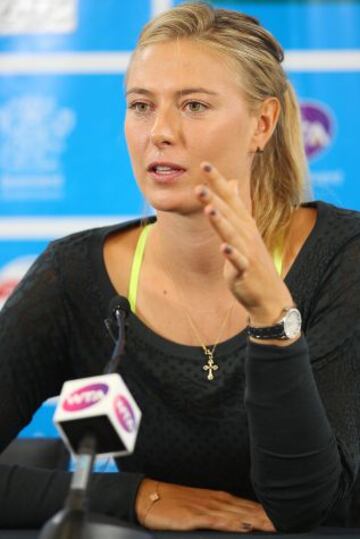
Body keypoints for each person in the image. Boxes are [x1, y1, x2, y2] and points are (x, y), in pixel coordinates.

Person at [0, 1, 359, 533]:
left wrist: (271, 319)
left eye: (193, 105)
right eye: (141, 105)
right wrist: (138, 495)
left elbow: (309, 506)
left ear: (262, 123)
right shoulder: (72, 274)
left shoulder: (343, 256)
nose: (160, 132)